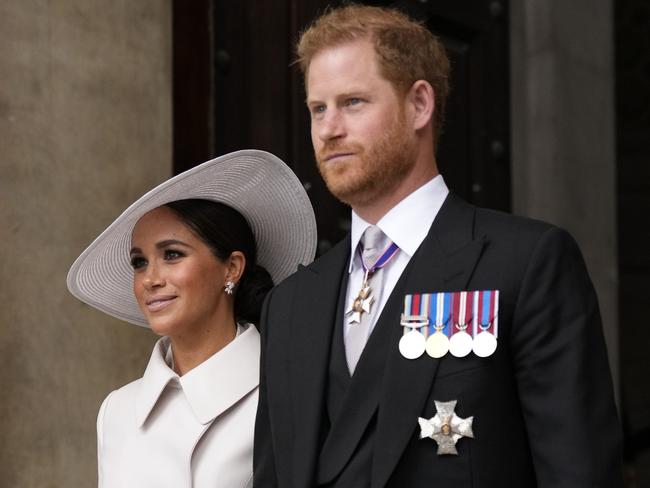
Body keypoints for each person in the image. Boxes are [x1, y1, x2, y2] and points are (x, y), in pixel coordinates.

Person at [253, 5, 623, 487]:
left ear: (419, 105)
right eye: (317, 108)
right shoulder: (290, 304)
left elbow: (580, 474)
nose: (328, 129)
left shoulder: (526, 264)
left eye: (353, 102)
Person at [67, 150, 316, 488]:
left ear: (232, 268)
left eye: (172, 255)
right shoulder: (117, 411)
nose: (150, 279)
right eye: (139, 262)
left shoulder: (288, 395)